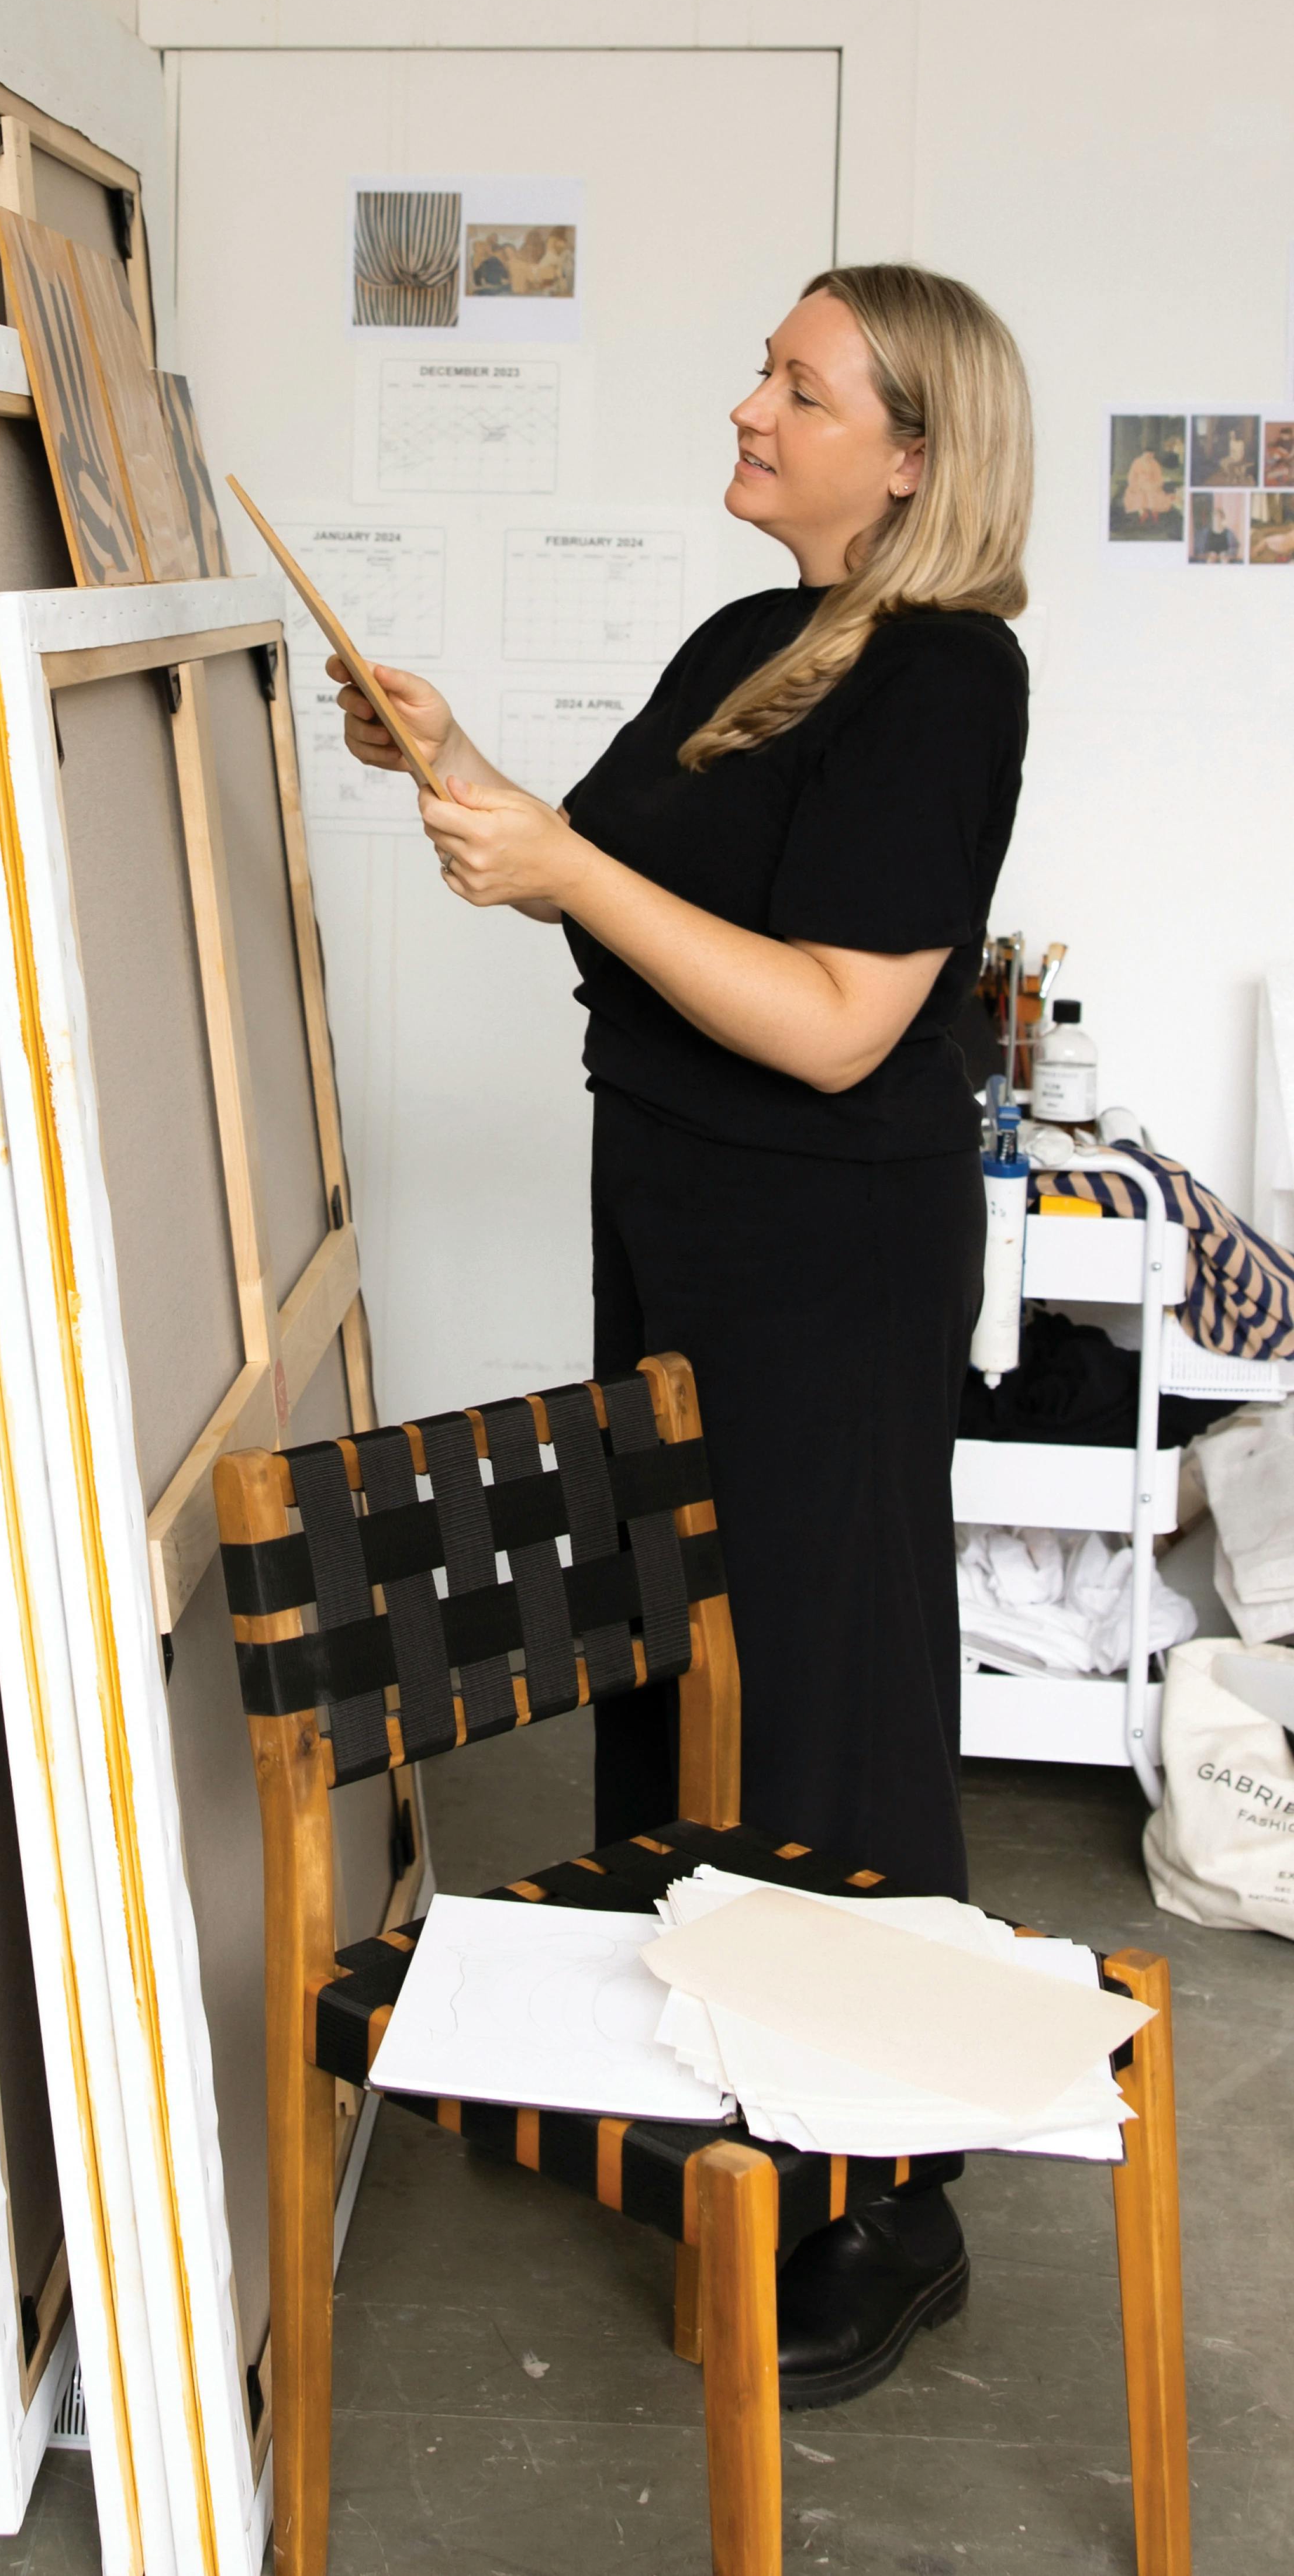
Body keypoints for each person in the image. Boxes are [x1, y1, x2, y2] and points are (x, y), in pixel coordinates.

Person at [330, 261, 1032, 2409]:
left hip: (826, 1249)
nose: (747, 404)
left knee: (824, 1687)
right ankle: (724, 2073)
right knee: (684, 1643)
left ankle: (883, 2197)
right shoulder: (752, 641)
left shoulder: (948, 682)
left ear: (909, 454)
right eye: (764, 369)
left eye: (797, 385)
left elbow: (836, 1024)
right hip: (687, 1226)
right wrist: (466, 771)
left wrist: (563, 867)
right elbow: (647, 893)